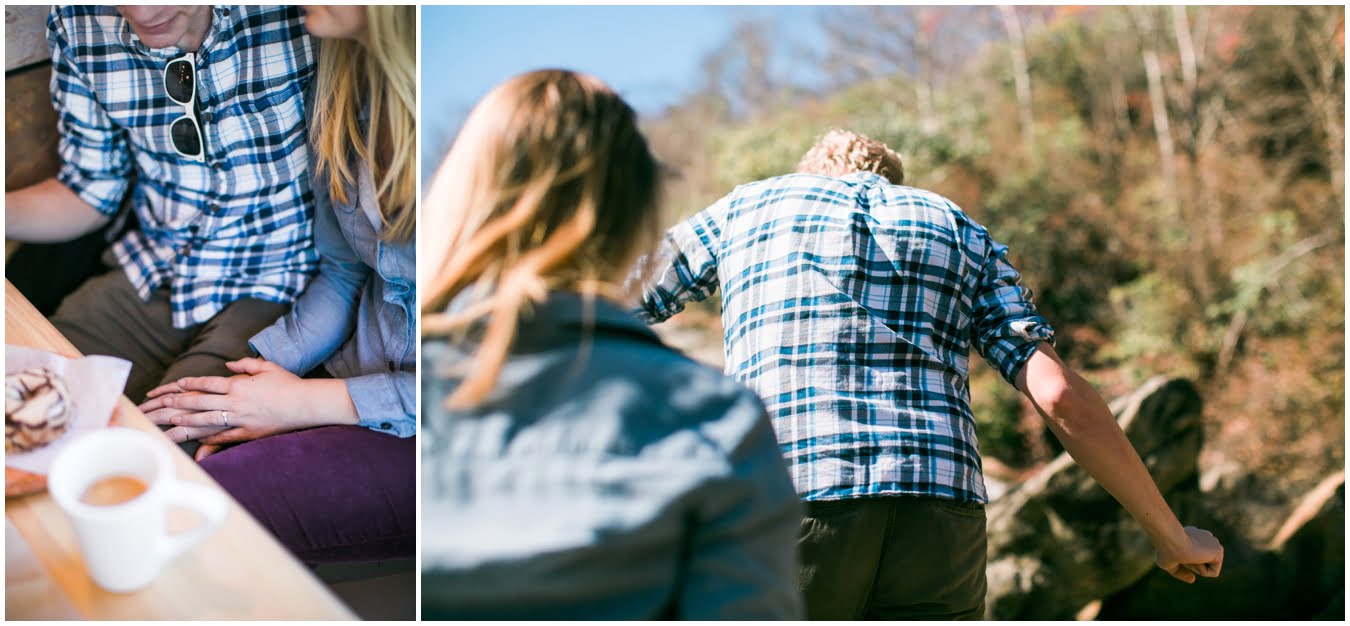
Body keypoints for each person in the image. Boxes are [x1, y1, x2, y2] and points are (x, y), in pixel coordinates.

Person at [636, 129, 1225, 619]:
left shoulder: (750, 206)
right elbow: (1061, 394)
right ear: (893, 180)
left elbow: (615, 295)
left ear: (810, 173)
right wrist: (1171, 534)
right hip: (941, 518)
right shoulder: (958, 228)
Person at [418, 69, 803, 620]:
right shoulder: (717, 418)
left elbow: (665, 283)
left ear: (461, 194)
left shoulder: (415, 385)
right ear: (635, 217)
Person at [136, 5, 416, 564]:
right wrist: (256, 371)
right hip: (354, 368)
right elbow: (344, 271)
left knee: (186, 501)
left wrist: (302, 401)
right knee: (165, 438)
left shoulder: (481, 133)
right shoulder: (340, 91)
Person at [5, 6, 318, 403]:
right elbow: (92, 190)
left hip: (281, 284)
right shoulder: (76, 19)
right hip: (153, 270)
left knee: (167, 445)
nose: (142, 11)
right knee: (20, 402)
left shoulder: (308, 15)